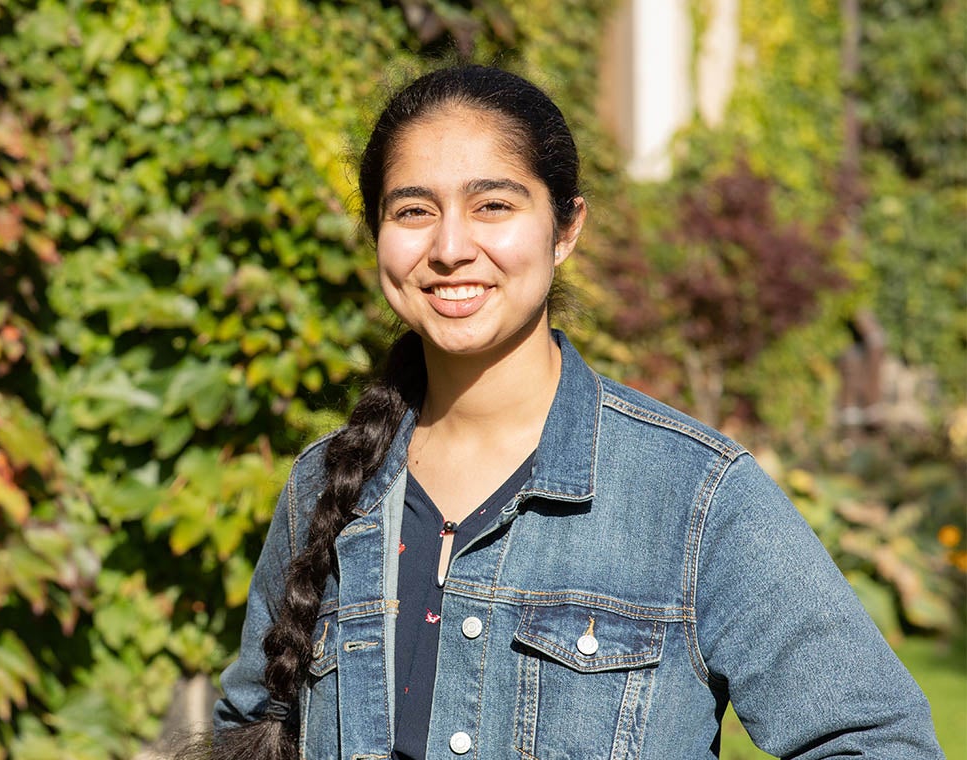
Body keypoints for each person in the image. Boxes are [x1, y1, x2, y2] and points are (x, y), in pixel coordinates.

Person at [208, 65, 942, 759]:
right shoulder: (323, 486)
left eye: (493, 205)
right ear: (376, 234)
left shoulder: (693, 497)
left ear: (565, 229)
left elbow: (874, 738)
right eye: (413, 211)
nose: (451, 247)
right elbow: (252, 727)